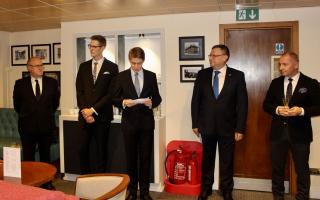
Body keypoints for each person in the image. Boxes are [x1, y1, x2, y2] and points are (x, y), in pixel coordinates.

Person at [191, 44, 248, 200]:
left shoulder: (237, 76)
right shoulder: (202, 75)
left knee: (227, 161)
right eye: (210, 55)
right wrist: (195, 123)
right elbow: (195, 100)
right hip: (206, 125)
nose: (211, 58)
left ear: (225, 57)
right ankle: (206, 188)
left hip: (228, 127)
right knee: (207, 160)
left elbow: (242, 104)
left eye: (214, 55)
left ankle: (226, 189)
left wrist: (240, 128)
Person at [263, 52, 320, 200]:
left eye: (285, 64)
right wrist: (277, 109)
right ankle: (278, 196)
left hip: (300, 134)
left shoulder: (310, 83)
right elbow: (266, 105)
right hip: (278, 134)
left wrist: (301, 111)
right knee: (277, 169)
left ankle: (302, 197)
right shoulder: (275, 83)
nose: (281, 67)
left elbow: (318, 107)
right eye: (280, 64)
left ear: (296, 64)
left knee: (302, 169)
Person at [112, 47, 162, 200]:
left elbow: (158, 98)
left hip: (146, 124)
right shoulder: (121, 77)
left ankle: (145, 192)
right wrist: (123, 102)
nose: (136, 66)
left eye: (139, 63)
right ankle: (133, 192)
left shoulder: (151, 76)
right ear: (130, 60)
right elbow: (113, 98)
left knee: (146, 159)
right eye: (133, 63)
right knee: (131, 160)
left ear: (143, 61)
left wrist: (151, 103)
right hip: (129, 125)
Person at [76, 35, 119, 173]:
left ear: (103, 47)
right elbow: (79, 90)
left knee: (101, 151)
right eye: (90, 46)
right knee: (82, 149)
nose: (91, 49)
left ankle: (100, 183)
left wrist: (93, 110)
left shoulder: (112, 67)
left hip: (102, 116)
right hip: (84, 116)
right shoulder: (83, 67)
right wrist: (85, 111)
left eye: (94, 46)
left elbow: (111, 94)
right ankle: (85, 180)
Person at [13, 56, 60, 163]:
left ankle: (46, 180)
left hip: (46, 127)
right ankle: (31, 179)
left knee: (45, 157)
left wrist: (44, 113)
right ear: (29, 68)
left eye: (42, 65)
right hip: (27, 128)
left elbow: (55, 103)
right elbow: (17, 105)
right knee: (28, 158)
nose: (41, 68)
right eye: (37, 66)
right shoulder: (20, 84)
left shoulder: (52, 82)